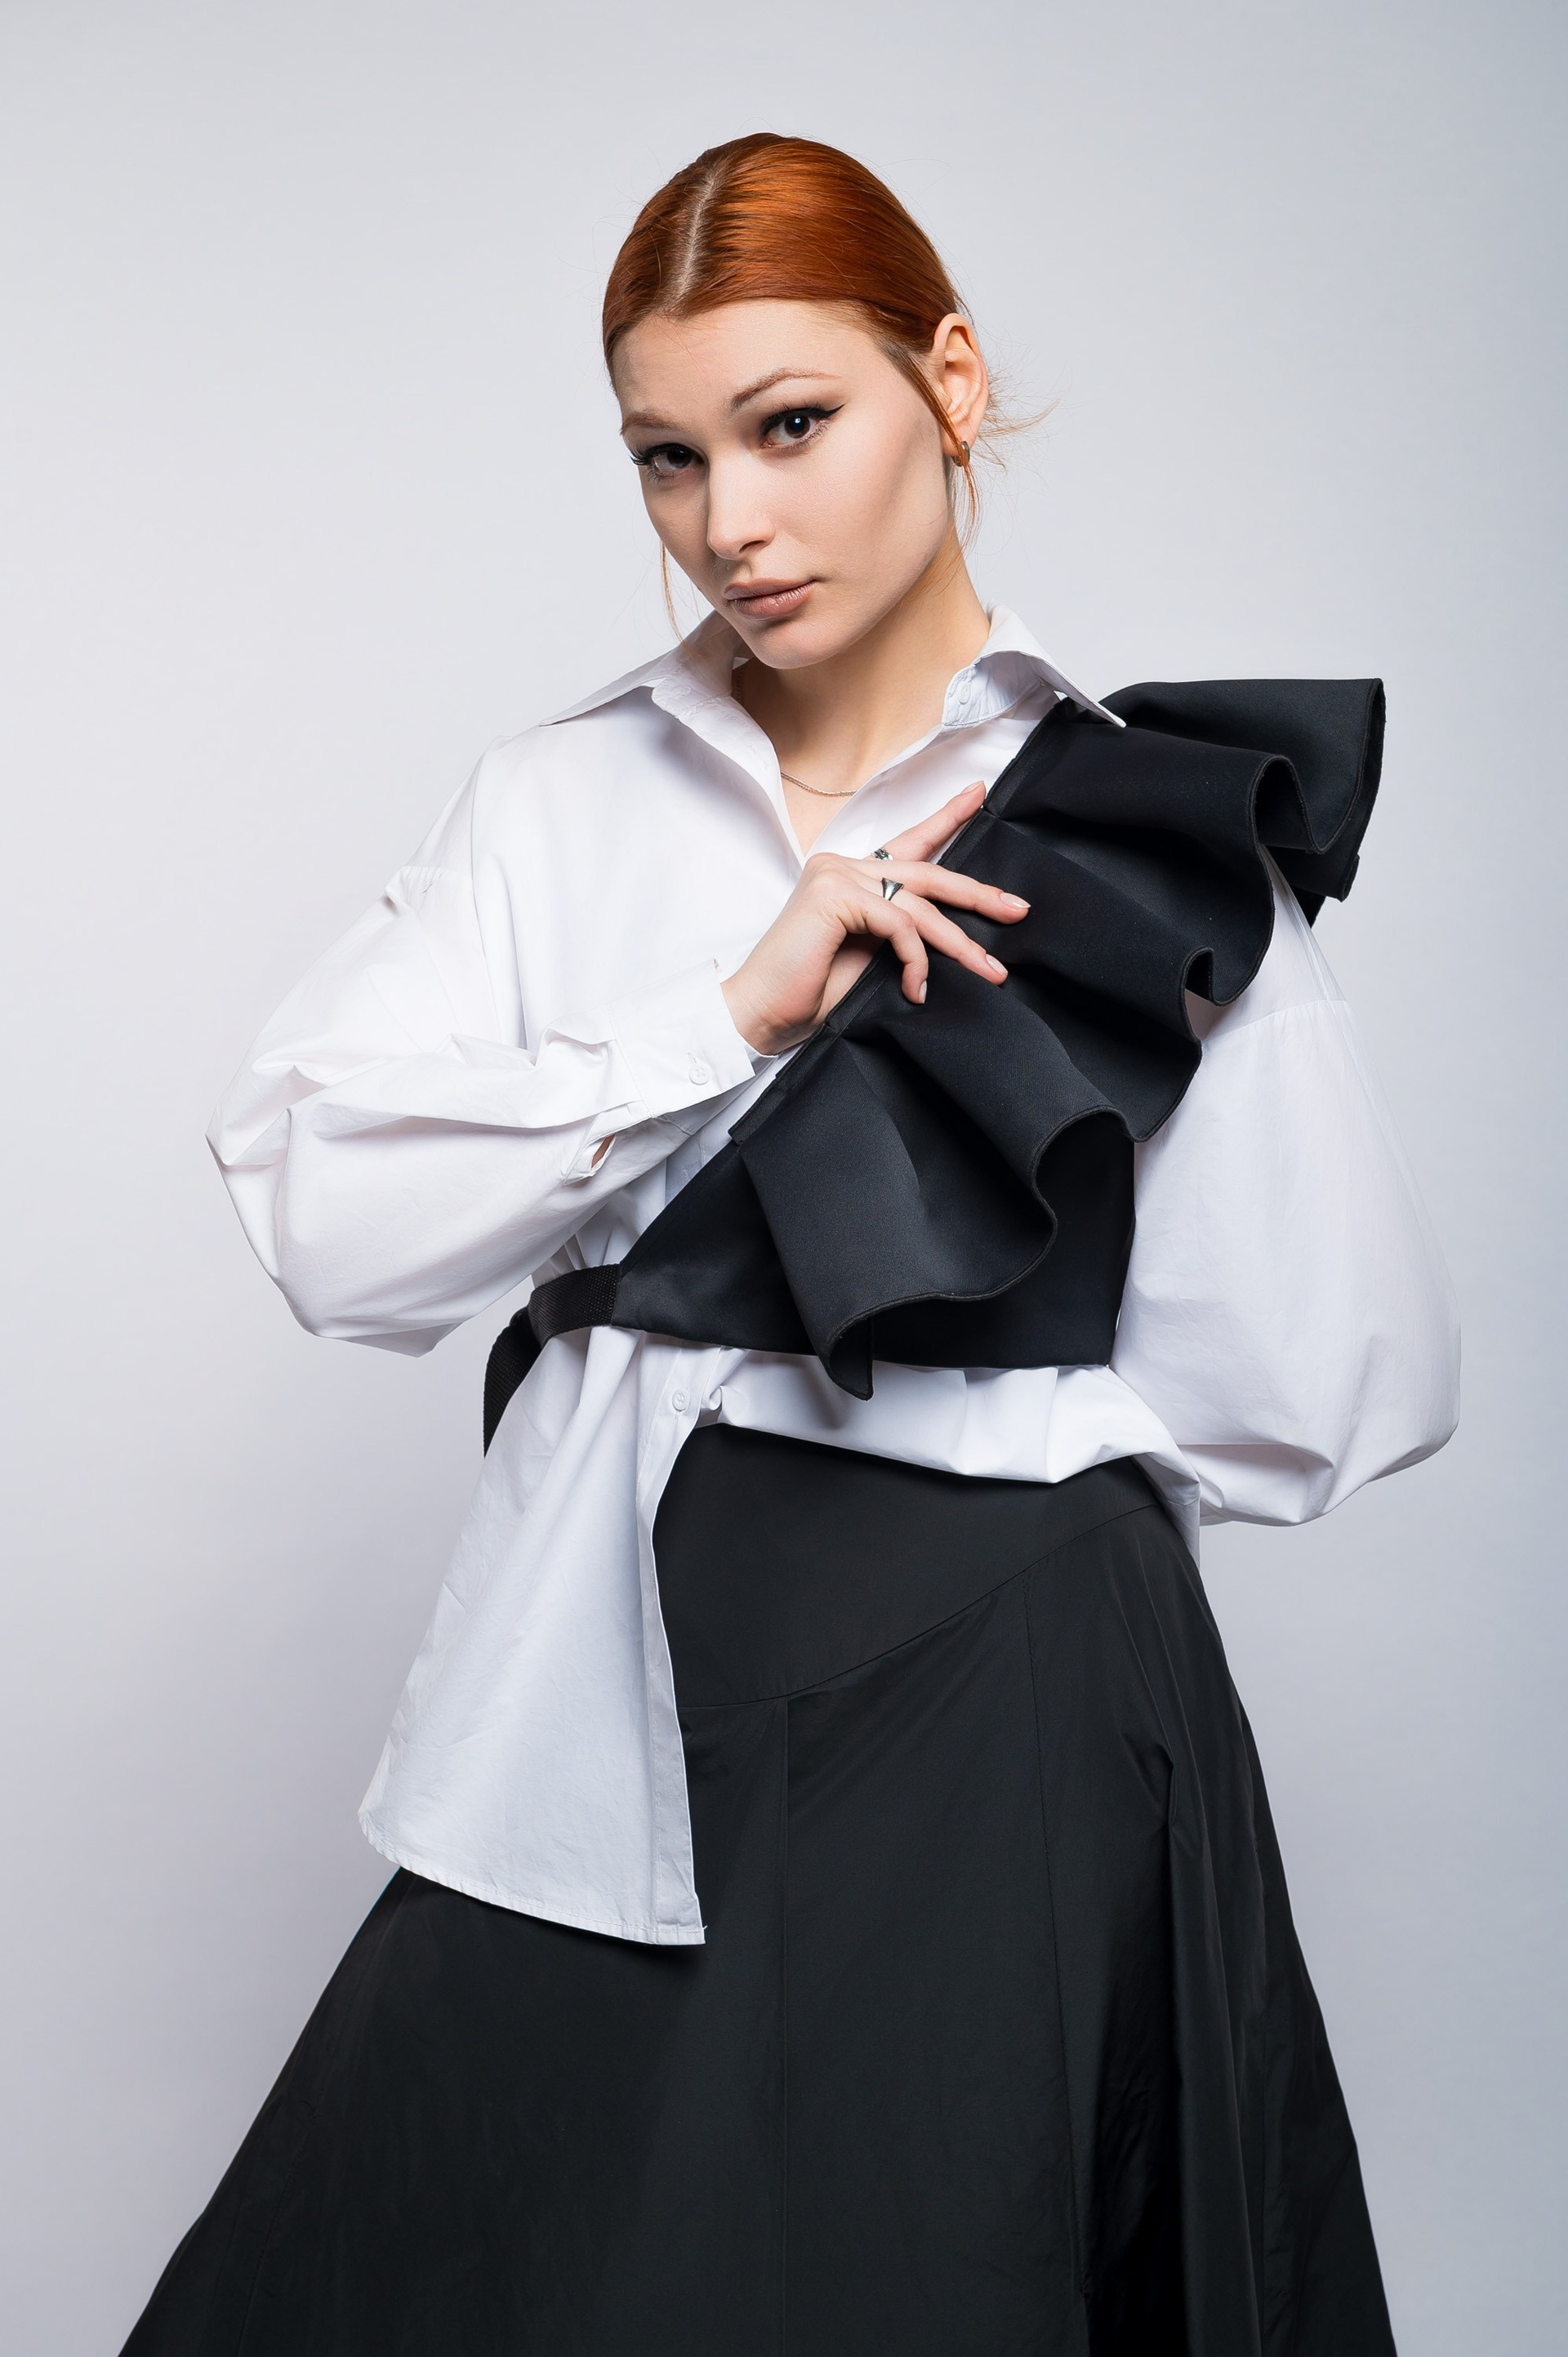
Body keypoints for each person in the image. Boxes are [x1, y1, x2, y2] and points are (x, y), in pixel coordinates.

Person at [123, 134, 1458, 2355]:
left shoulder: (1139, 823)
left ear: (951, 380)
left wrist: (993, 1444)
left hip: (1013, 1694)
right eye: (668, 456)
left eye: (791, 424)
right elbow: (331, 1216)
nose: (729, 519)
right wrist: (725, 1022)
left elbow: (1342, 1375)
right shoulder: (560, 804)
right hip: (621, 1668)